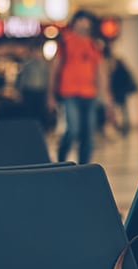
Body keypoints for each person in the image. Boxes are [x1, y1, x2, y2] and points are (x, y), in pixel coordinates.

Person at [47, 10, 112, 164]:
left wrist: (107, 96)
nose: (84, 23)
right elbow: (54, 69)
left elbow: (100, 72)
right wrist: (50, 95)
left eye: (87, 20)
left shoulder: (94, 44)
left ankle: (84, 166)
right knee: (73, 130)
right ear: (75, 22)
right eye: (81, 19)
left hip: (90, 94)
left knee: (88, 134)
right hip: (69, 93)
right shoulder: (65, 41)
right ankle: (61, 159)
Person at [17, 43, 52, 131]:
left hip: (40, 91)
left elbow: (48, 79)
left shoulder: (45, 65)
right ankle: (29, 129)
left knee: (40, 112)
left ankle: (40, 130)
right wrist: (20, 92)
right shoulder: (27, 64)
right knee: (29, 113)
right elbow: (22, 79)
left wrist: (49, 94)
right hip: (29, 92)